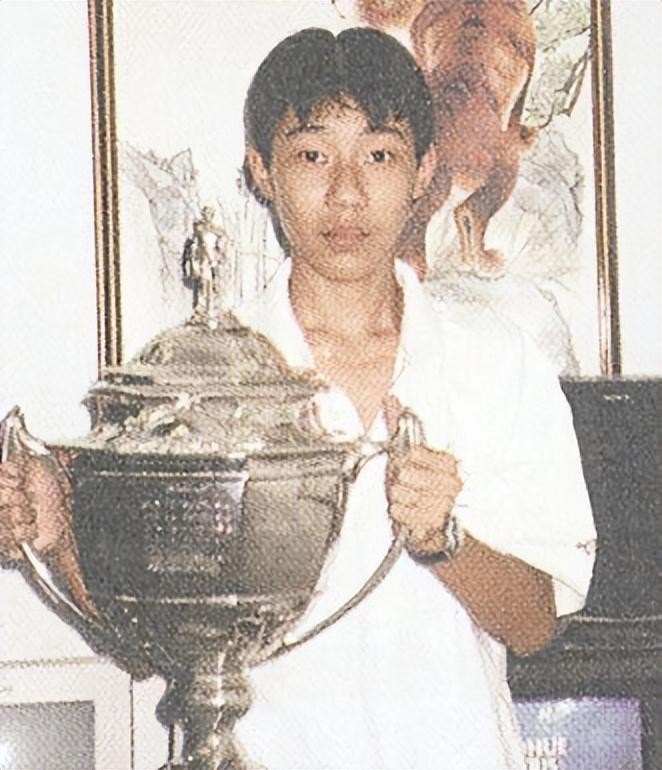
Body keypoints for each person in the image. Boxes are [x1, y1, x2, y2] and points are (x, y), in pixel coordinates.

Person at [0, 26, 596, 770]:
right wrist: (57, 536)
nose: (346, 192)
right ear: (262, 169)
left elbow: (535, 625)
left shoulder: (500, 363)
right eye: (313, 155)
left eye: (379, 155)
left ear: (423, 170)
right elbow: (158, 643)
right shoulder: (197, 381)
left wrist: (443, 540)